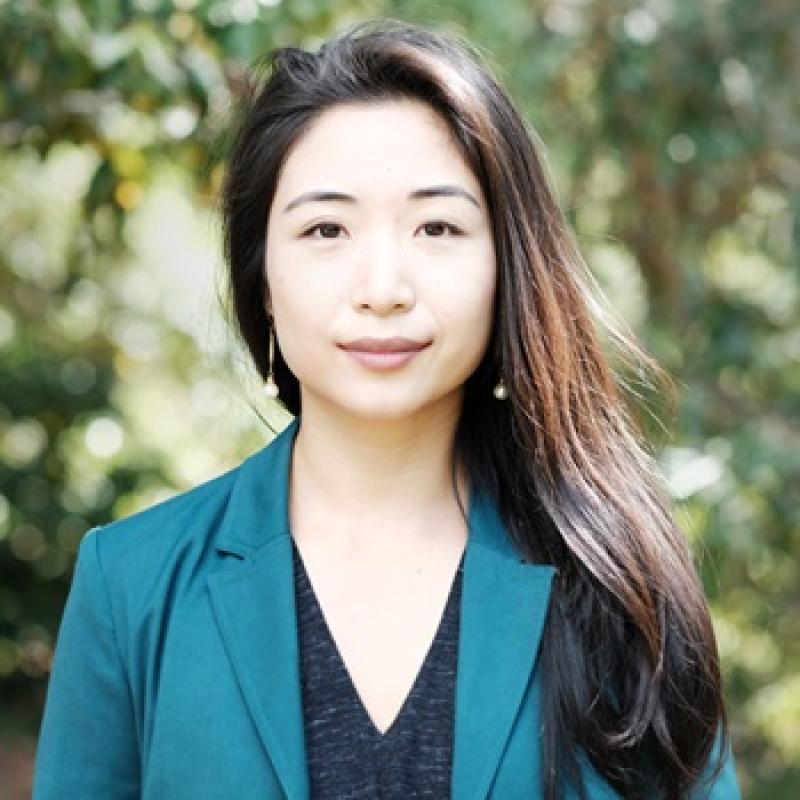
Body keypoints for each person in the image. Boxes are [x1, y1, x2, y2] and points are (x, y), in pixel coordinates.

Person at [32, 18, 741, 800]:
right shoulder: (132, 585)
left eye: (437, 226)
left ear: (507, 265)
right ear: (262, 276)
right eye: (325, 228)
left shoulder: (620, 582)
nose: (383, 287)